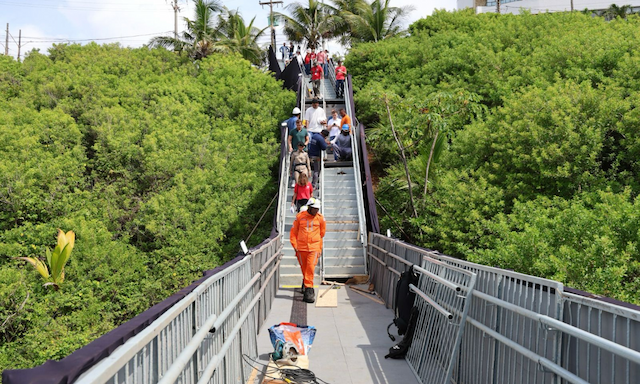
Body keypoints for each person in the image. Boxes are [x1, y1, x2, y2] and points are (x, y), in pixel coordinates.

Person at [290, 197, 326, 303]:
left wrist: (317, 245)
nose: (316, 211)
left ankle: (309, 290)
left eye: (317, 209)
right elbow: (293, 232)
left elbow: (322, 233)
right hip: (301, 248)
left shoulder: (320, 218)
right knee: (304, 268)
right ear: (309, 207)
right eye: (314, 209)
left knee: (310, 268)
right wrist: (295, 245)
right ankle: (305, 283)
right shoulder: (300, 217)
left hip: (314, 248)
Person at [288, 119, 309, 186]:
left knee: (304, 163)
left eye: (300, 125)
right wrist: (290, 147)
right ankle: (293, 179)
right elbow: (289, 140)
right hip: (295, 150)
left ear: (301, 125)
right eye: (297, 125)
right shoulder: (293, 131)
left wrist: (305, 144)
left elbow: (307, 139)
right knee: (294, 164)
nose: (299, 126)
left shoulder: (304, 131)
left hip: (303, 150)